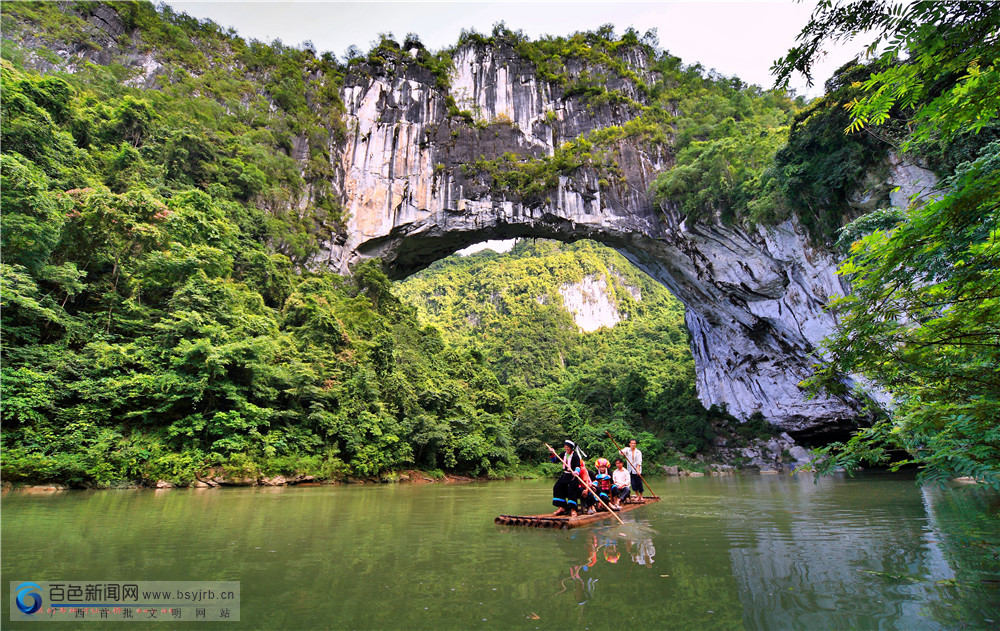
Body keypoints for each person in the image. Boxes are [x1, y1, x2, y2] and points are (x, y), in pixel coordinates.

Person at [550, 440, 581, 517]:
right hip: (565, 475)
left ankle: (573, 509)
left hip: (573, 476)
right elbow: (554, 461)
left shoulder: (575, 456)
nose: (566, 448)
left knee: (571, 490)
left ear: (571, 448)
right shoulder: (563, 454)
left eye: (568, 447)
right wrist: (552, 453)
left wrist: (576, 472)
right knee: (557, 487)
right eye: (565, 447)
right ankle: (561, 507)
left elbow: (578, 466)